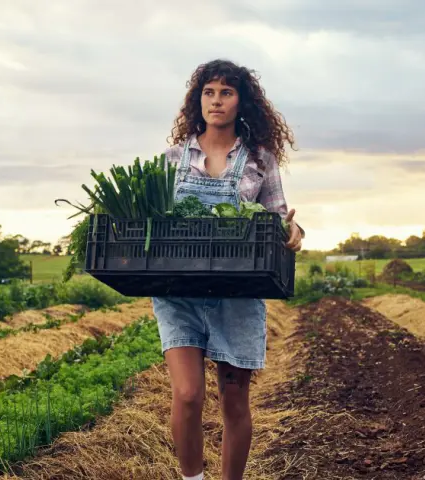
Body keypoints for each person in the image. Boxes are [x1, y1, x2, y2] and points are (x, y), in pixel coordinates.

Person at [151, 59, 304, 480]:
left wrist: (292, 229)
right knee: (186, 395)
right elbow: (153, 221)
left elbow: (276, 218)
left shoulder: (259, 159)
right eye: (209, 92)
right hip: (178, 292)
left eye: (226, 92)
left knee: (234, 403)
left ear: (242, 102)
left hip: (238, 295)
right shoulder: (172, 159)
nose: (216, 101)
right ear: (197, 100)